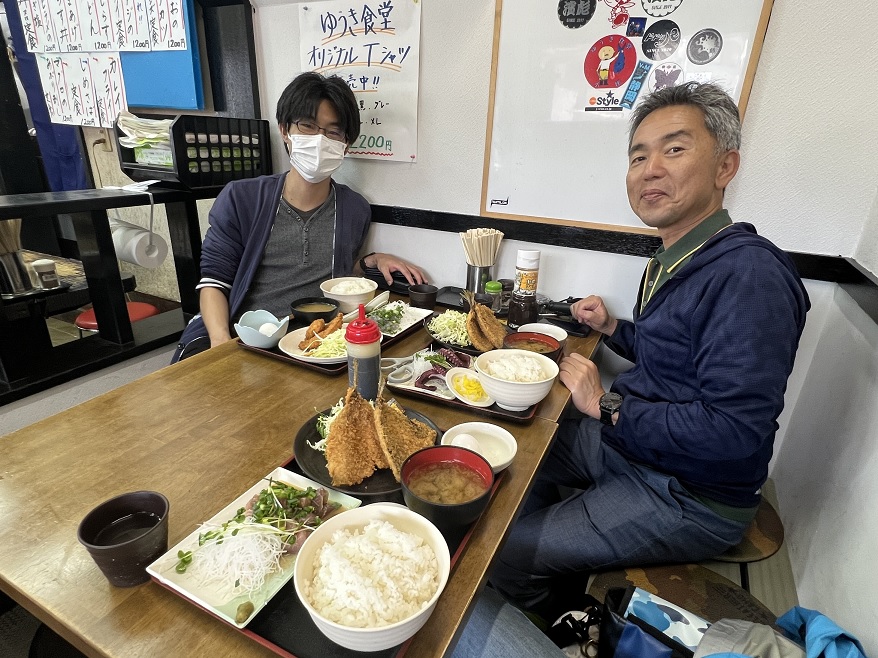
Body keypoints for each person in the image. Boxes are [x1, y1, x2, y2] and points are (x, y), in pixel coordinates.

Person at [486, 82, 810, 622]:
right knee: (519, 439)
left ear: (726, 166)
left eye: (675, 149)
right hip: (633, 448)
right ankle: (554, 552)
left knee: (503, 550)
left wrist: (605, 406)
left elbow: (734, 432)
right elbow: (676, 360)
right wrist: (614, 327)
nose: (650, 169)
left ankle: (557, 624)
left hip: (688, 493)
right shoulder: (677, 256)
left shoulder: (749, 276)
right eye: (638, 156)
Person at [172, 72, 424, 362]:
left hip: (312, 343)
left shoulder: (354, 208)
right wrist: (221, 343)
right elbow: (214, 281)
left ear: (346, 143)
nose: (319, 140)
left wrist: (373, 260)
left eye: (333, 131)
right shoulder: (241, 198)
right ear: (284, 130)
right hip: (243, 338)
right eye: (307, 126)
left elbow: (337, 272)